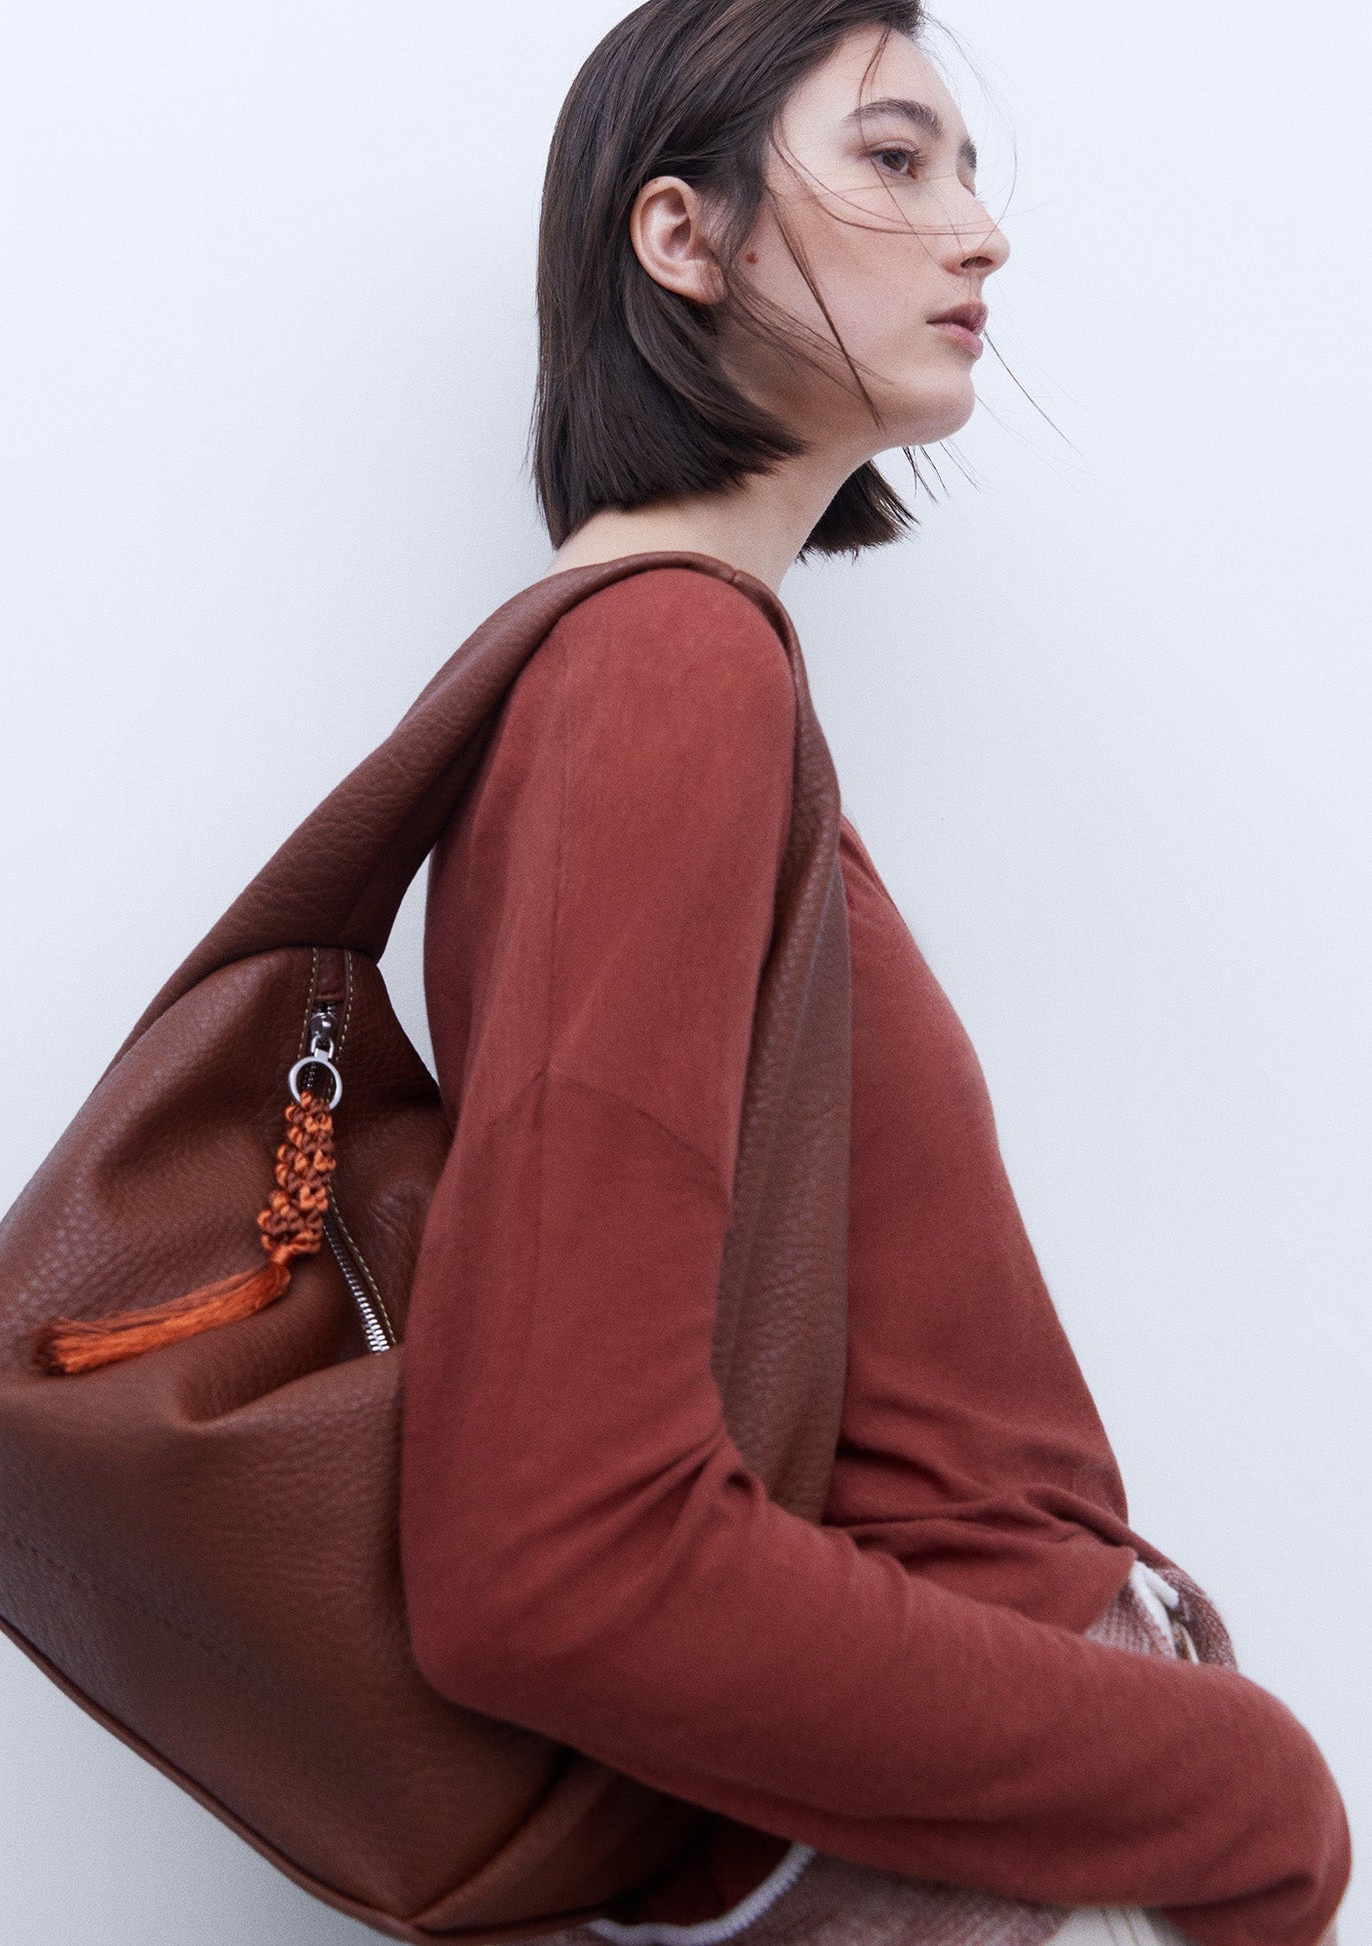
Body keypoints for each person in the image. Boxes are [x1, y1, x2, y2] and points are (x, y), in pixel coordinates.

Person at [394, 5, 1350, 1945]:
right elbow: (546, 1557)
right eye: (896, 160)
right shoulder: (661, 671)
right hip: (926, 1868)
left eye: (968, 172)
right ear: (683, 237)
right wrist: (1241, 1783)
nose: (979, 229)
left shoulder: (667, 673)